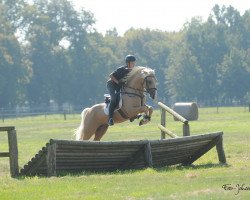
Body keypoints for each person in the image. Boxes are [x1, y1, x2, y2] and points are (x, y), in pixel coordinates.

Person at [106, 55, 136, 126]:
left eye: (134, 62)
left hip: (120, 86)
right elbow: (111, 76)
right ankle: (110, 118)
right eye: (133, 62)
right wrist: (118, 82)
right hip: (112, 84)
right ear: (128, 63)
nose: (134, 64)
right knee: (114, 99)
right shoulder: (122, 69)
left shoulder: (133, 71)